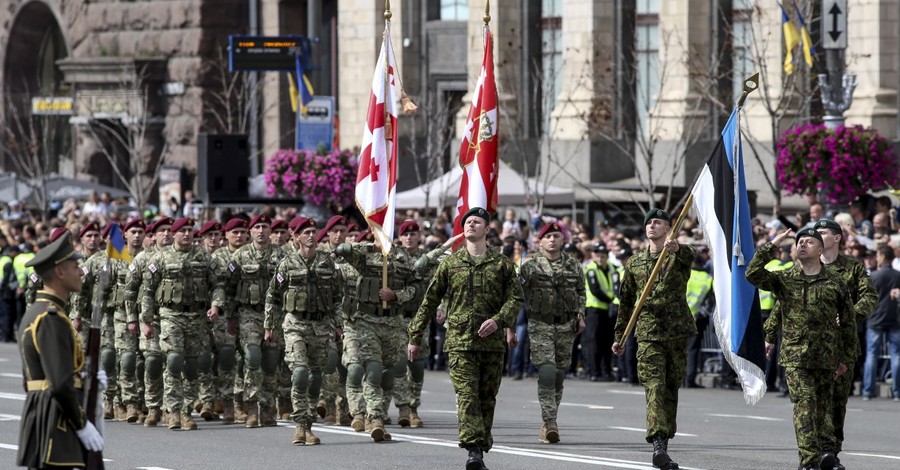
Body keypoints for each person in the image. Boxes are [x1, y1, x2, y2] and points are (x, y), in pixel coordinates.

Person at [408, 207, 524, 470]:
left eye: (477, 221)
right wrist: (415, 335)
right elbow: (430, 300)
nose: (471, 225)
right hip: (460, 341)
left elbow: (515, 298)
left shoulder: (502, 264)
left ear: (487, 229)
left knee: (486, 397)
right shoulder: (450, 263)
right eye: (468, 222)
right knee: (467, 395)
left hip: (492, 345)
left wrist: (499, 321)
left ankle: (480, 446)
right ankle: (473, 449)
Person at [748, 228, 855, 470]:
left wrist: (846, 358)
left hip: (826, 356)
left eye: (809, 241)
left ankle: (825, 455)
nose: (803, 245)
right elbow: (752, 273)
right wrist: (772, 244)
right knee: (805, 404)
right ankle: (809, 462)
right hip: (796, 355)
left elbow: (848, 324)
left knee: (822, 409)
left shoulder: (836, 283)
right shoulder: (786, 279)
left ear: (820, 250)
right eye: (800, 242)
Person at [612, 208, 697, 470]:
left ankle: (665, 439)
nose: (651, 225)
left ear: (669, 229)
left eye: (658, 222)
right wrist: (620, 335)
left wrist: (676, 249)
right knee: (655, 386)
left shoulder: (678, 256)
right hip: (648, 333)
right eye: (649, 222)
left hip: (676, 332)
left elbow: (689, 256)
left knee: (671, 387)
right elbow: (626, 302)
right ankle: (658, 444)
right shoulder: (635, 263)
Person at [17, 231, 104, 468]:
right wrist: (82, 424)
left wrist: (87, 374)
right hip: (56, 419)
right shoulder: (49, 317)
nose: (79, 270)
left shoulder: (43, 311)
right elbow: (59, 382)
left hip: (49, 412)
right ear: (59, 271)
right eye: (74, 265)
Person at [141, 217, 225, 430]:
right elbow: (148, 291)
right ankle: (174, 410)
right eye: (182, 231)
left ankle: (186, 411)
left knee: (191, 366)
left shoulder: (204, 257)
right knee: (174, 360)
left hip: (196, 318)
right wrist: (147, 321)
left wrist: (216, 306)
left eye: (190, 230)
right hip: (170, 315)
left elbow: (218, 284)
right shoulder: (160, 258)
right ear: (175, 234)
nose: (187, 234)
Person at [264, 216, 342, 445]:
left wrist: (338, 324)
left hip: (320, 326)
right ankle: (300, 425)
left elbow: (338, 297)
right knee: (299, 373)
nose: (310, 235)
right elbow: (273, 296)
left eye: (313, 231)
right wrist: (269, 325)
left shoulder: (327, 263)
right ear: (296, 237)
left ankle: (309, 426)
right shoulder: (287, 264)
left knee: (316, 377)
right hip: (294, 324)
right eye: (305, 232)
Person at [813, 218, 877, 470]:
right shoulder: (808, 265)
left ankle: (830, 453)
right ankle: (811, 452)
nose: (817, 234)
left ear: (837, 238)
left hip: (841, 346)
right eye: (815, 231)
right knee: (811, 403)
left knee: (836, 403)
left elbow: (870, 295)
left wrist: (851, 314)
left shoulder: (853, 267)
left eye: (823, 231)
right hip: (810, 346)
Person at [516, 222, 585, 443]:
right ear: (540, 241)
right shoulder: (530, 266)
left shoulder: (573, 265)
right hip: (540, 324)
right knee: (546, 371)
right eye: (548, 237)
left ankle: (549, 420)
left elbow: (581, 292)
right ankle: (550, 421)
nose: (552, 240)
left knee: (559, 375)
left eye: (556, 236)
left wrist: (581, 315)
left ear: (563, 240)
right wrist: (509, 326)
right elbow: (516, 295)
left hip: (566, 325)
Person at [863, 245, 900, 401]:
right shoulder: (898, 276)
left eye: (878, 255)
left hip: (875, 318)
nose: (876, 258)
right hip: (894, 318)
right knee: (896, 355)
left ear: (883, 257)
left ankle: (868, 391)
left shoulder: (874, 276)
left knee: (872, 354)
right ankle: (897, 392)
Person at [582, 243, 617, 382]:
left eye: (603, 256)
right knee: (594, 341)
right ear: (593, 256)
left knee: (607, 341)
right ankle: (594, 371)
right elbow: (595, 289)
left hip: (608, 309)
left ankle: (606, 371)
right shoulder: (591, 269)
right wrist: (610, 299)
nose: (600, 258)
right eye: (598, 255)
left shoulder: (612, 269)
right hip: (594, 309)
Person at [684, 253, 713, 389]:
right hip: (698, 318)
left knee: (678, 348)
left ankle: (680, 378)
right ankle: (690, 379)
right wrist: (699, 314)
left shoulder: (684, 274)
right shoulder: (708, 278)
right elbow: (709, 302)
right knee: (693, 349)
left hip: (679, 317)